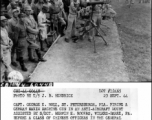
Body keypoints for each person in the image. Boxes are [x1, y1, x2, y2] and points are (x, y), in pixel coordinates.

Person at [0, 16, 13, 81]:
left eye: (5, 21)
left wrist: (10, 40)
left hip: (7, 50)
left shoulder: (4, 29)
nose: (5, 23)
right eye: (3, 21)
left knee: (8, 64)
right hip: (2, 52)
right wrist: (5, 47)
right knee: (2, 68)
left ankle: (7, 78)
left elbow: (7, 37)